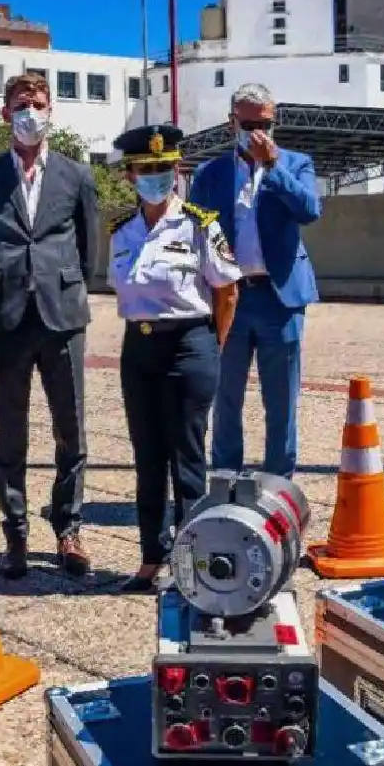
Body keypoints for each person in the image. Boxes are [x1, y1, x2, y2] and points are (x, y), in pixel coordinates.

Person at [0, 72, 99, 580]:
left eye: (39, 104)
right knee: (10, 431)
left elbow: (89, 252)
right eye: (22, 104)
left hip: (62, 316)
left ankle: (68, 527)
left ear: (51, 112)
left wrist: (63, 287)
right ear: (5, 113)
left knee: (71, 429)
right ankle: (15, 531)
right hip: (6, 318)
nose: (30, 112)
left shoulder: (75, 176)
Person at [107, 125, 241, 592]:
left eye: (165, 169)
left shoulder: (201, 224)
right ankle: (149, 558)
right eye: (147, 170)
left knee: (186, 459)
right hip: (139, 348)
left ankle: (191, 562)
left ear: (177, 171)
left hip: (190, 344)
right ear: (130, 175)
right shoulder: (121, 231)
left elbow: (227, 293)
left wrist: (210, 346)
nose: (156, 177)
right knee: (147, 457)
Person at [189, 83, 321, 479]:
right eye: (249, 123)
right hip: (230, 298)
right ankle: (226, 480)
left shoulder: (295, 164)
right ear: (233, 123)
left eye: (266, 123)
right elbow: (196, 234)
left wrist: (273, 168)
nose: (259, 131)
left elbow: (309, 210)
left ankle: (279, 485)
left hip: (279, 298)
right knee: (225, 398)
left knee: (281, 402)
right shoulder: (210, 173)